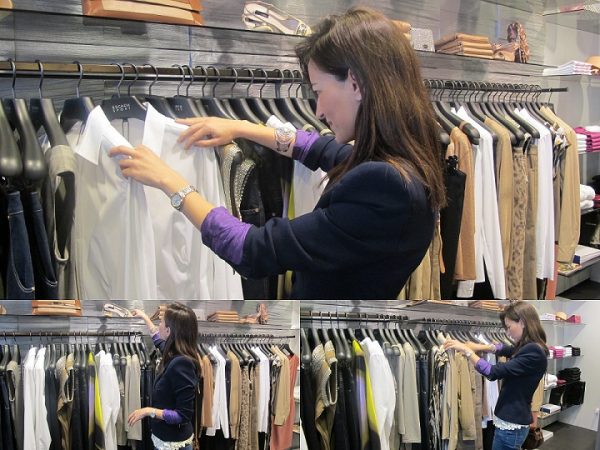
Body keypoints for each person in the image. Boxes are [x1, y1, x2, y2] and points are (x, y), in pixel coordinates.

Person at [109, 6, 446, 299]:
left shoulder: (386, 184)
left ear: (356, 84)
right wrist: (241, 127)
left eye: (319, 91)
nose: (318, 110)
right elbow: (320, 149)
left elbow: (253, 250)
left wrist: (172, 183)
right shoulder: (405, 160)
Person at [443, 301, 548, 450]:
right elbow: (506, 349)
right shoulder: (529, 346)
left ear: (523, 322)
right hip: (511, 422)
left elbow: (492, 372)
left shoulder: (533, 351)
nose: (507, 333)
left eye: (509, 327)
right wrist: (480, 346)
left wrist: (468, 352)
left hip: (511, 425)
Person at [128, 303, 200, 450]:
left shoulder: (182, 363)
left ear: (168, 330)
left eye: (161, 322)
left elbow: (183, 415)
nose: (158, 325)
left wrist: (149, 411)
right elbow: (158, 340)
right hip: (166, 440)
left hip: (174, 445)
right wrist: (145, 318)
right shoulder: (174, 353)